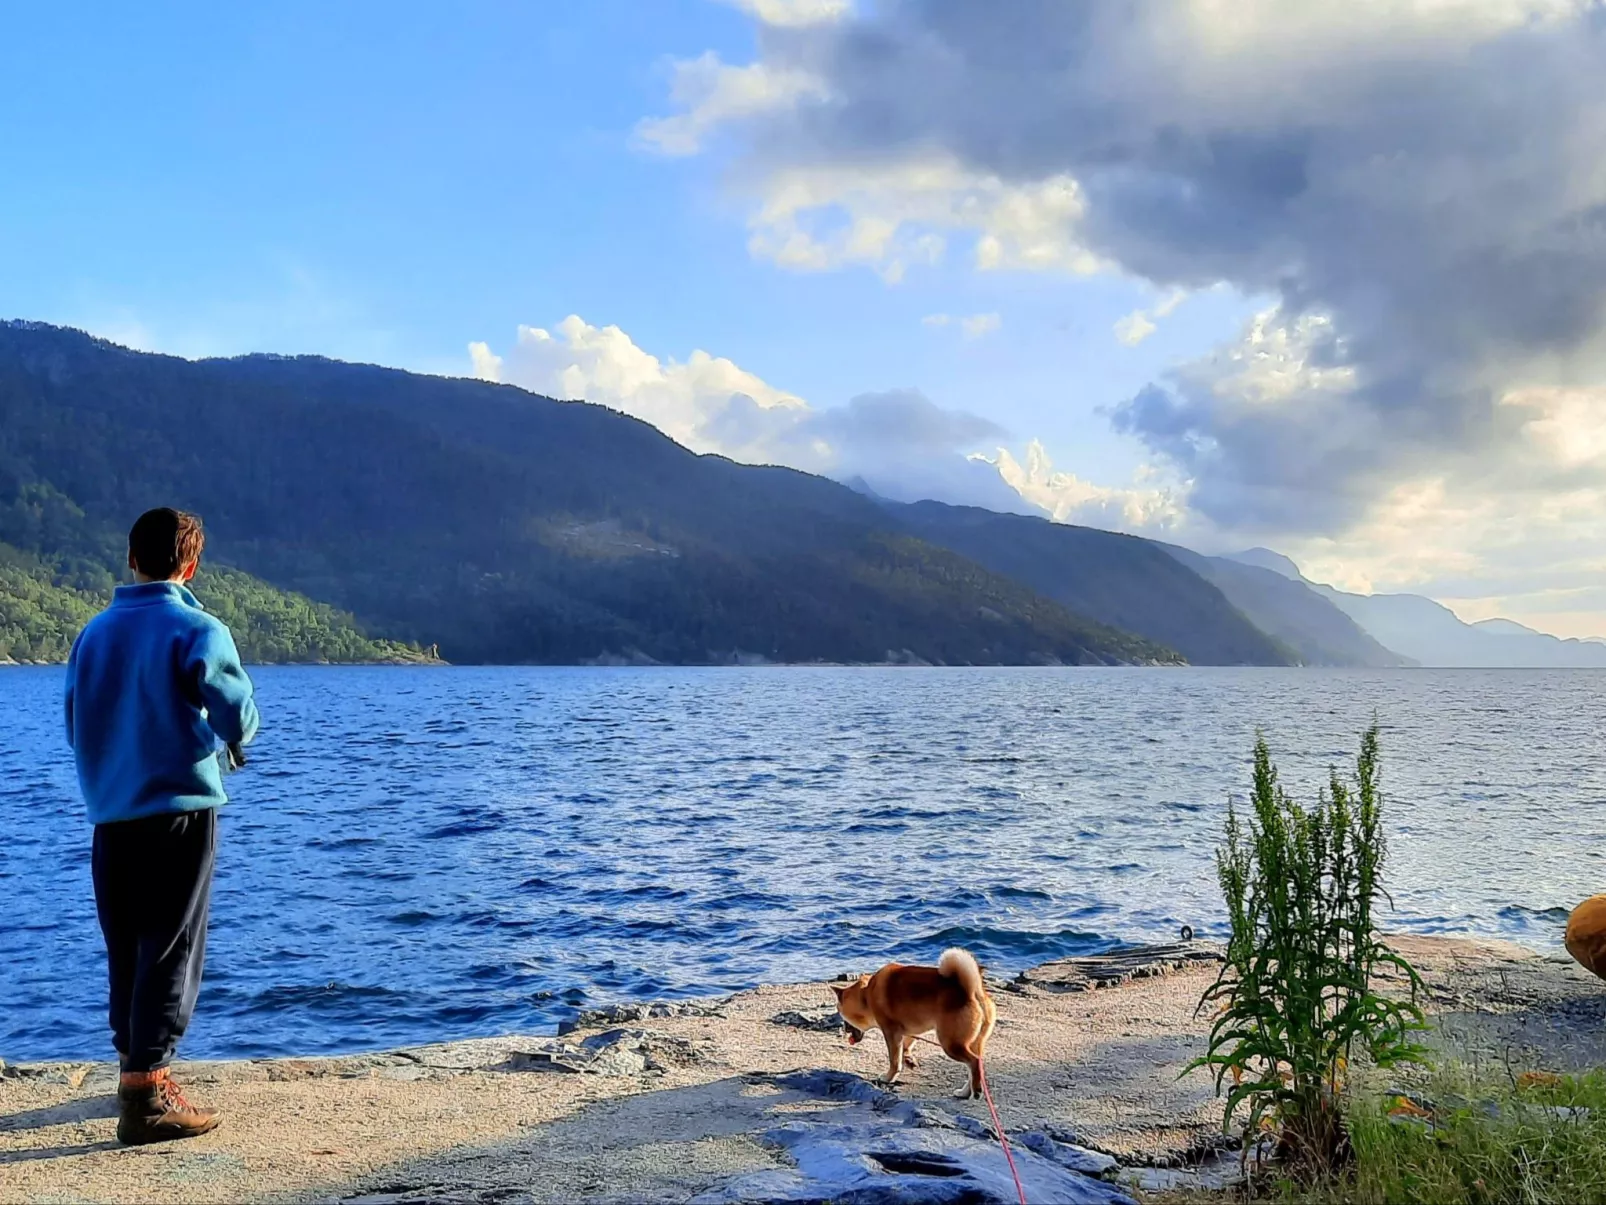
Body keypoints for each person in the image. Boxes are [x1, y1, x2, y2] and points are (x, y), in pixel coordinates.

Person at [64, 507, 259, 1145]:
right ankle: (149, 1094)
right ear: (191, 564)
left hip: (111, 812)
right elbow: (236, 715)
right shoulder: (198, 627)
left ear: (130, 557)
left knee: (126, 944)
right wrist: (234, 736)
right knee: (171, 944)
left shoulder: (92, 634)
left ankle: (132, 1071)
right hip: (179, 810)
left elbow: (75, 723)